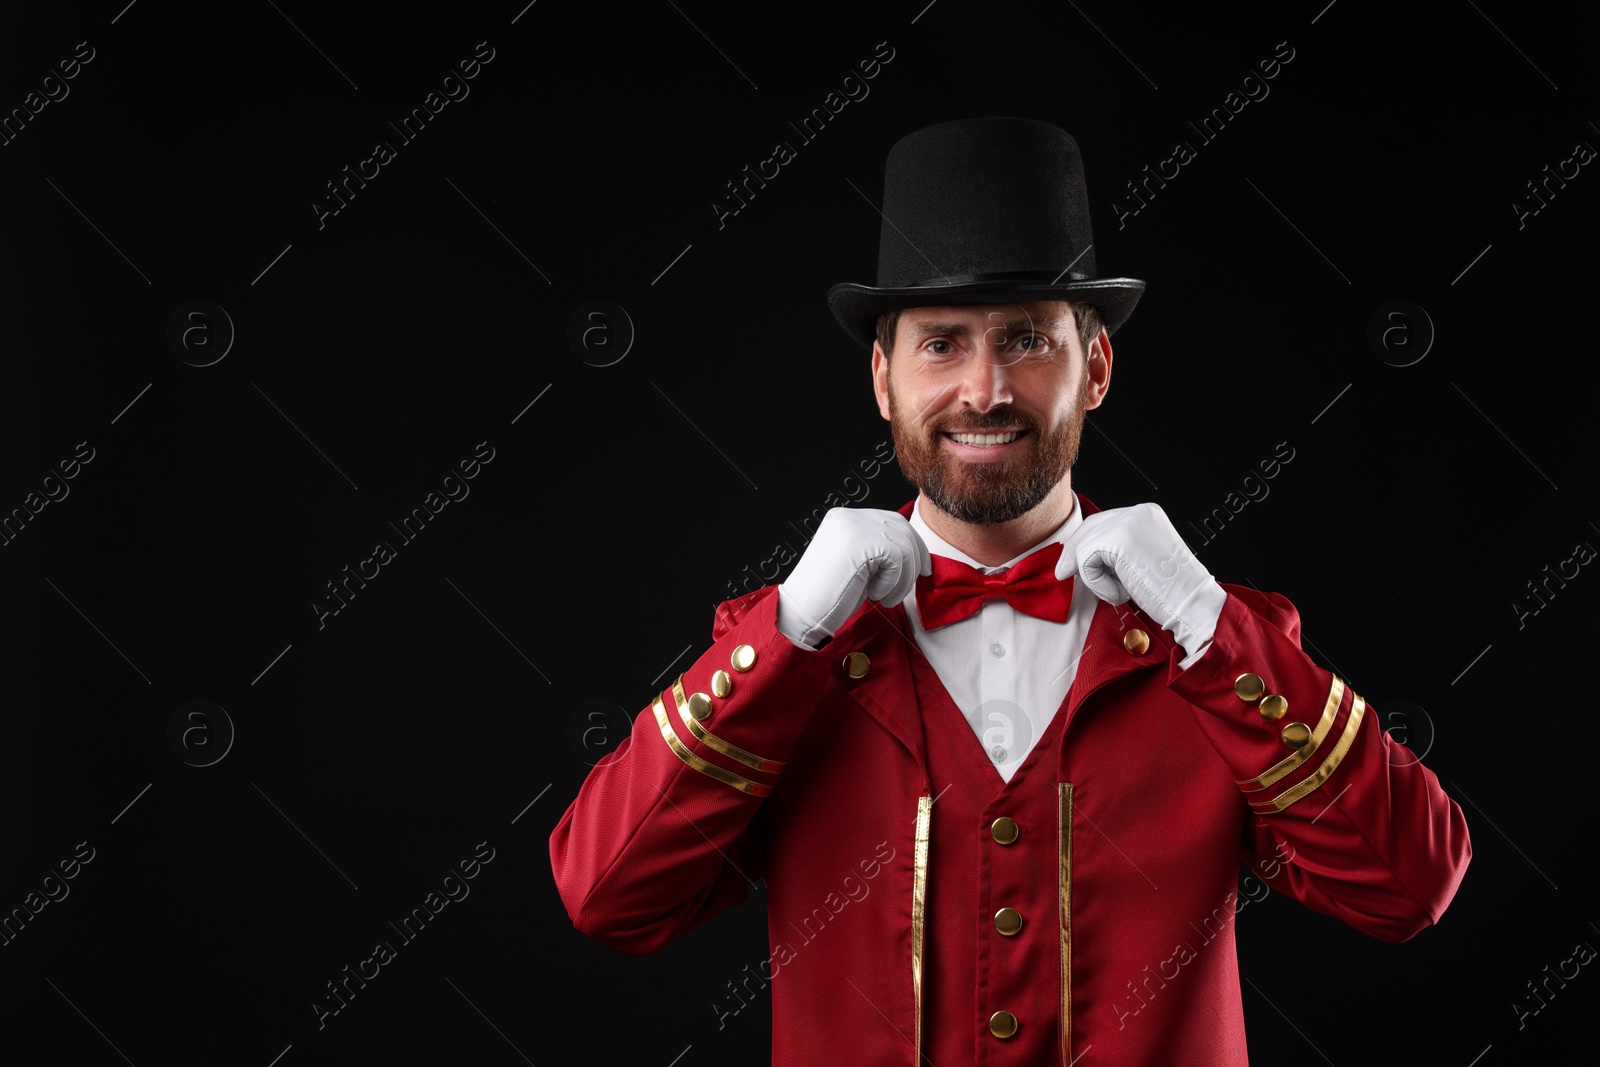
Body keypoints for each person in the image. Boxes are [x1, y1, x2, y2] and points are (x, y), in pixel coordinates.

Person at [549, 116, 1471, 1065]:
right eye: (941, 344)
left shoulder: (1221, 649)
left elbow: (1409, 885)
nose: (985, 390)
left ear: (1097, 368)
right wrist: (787, 629)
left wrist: (1205, 617)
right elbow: (609, 894)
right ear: (883, 379)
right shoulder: (782, 659)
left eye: (1028, 339)